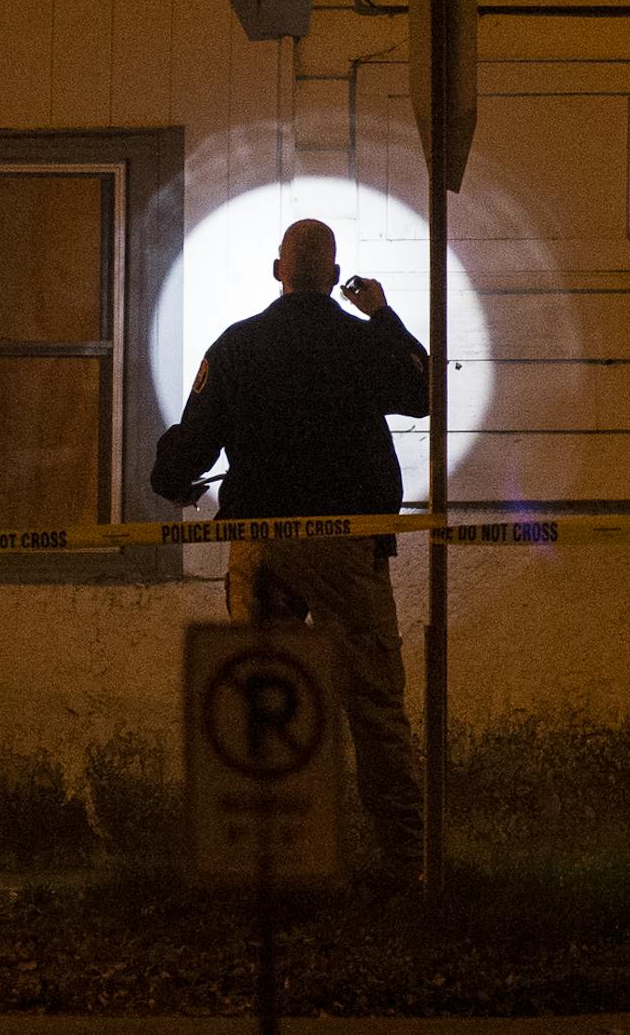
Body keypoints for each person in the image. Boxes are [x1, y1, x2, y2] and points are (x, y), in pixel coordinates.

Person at [150, 217, 431, 872]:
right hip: (349, 550)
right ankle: (402, 864)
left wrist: (175, 471)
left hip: (262, 547)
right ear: (334, 277)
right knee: (374, 705)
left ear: (278, 271)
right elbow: (424, 390)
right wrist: (383, 313)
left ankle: (265, 864)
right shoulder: (361, 343)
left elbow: (181, 460)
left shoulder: (237, 347)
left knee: (260, 704)